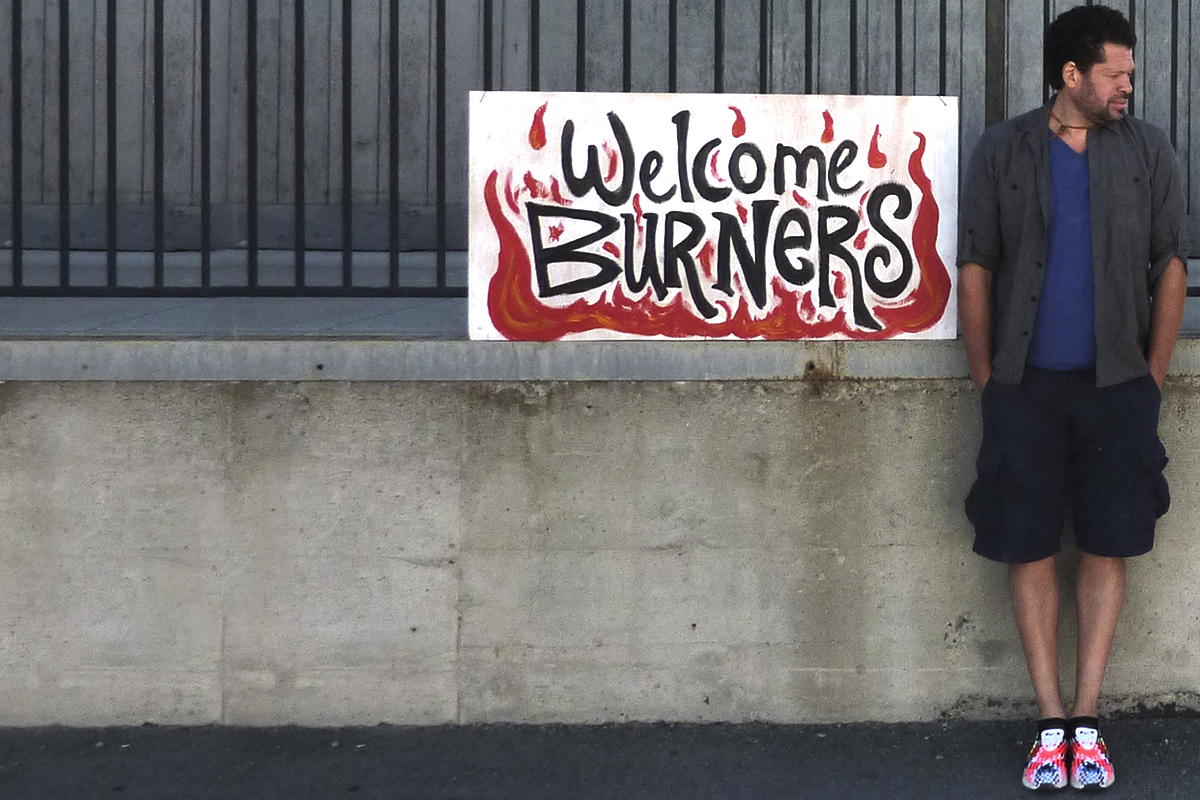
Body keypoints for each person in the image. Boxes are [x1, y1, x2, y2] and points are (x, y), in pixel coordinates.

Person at [957, 4, 1189, 791]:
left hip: (1118, 388)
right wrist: (989, 383)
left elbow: (1169, 265)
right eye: (1115, 74)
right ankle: (1049, 723)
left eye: (1130, 74)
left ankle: (1087, 723)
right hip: (1024, 389)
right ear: (1071, 74)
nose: (1128, 86)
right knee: (1027, 546)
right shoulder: (1003, 150)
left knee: (1106, 543)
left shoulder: (1148, 150)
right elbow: (977, 266)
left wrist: (1151, 380)